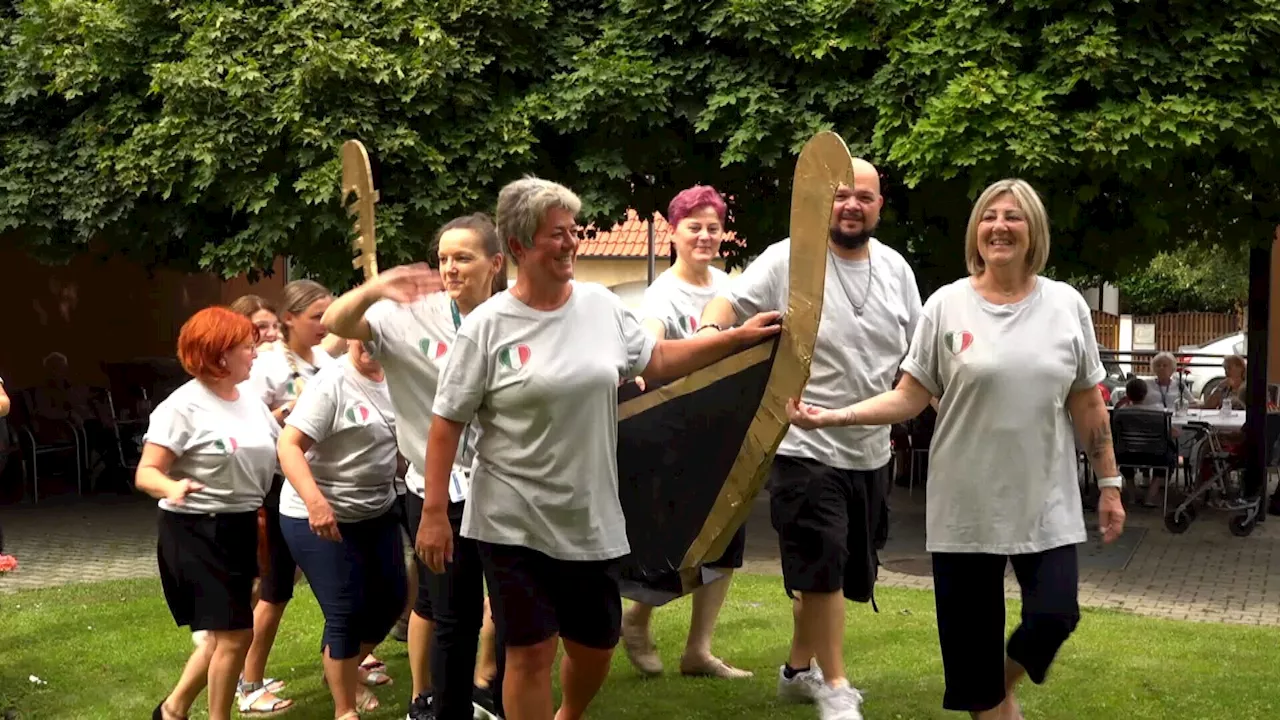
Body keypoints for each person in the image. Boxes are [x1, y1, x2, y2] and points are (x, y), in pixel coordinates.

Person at [417, 176, 782, 720]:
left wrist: (733, 339)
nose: (569, 245)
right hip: (511, 518)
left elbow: (655, 360)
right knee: (530, 651)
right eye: (554, 235)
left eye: (571, 232)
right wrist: (434, 515)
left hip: (590, 515)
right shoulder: (487, 328)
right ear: (518, 247)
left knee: (595, 646)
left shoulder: (600, 307)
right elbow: (446, 422)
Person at [786, 178, 1127, 720]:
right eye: (990, 217)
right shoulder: (946, 305)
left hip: (1046, 500)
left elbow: (1088, 404)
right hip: (964, 507)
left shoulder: (1065, 306)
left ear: (1033, 229)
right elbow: (909, 396)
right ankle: (991, 699)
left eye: (1013, 216)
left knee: (1055, 614)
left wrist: (1109, 484)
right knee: (974, 660)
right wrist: (838, 414)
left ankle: (998, 685)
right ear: (976, 231)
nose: (1000, 226)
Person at [698, 159, 922, 719]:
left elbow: (921, 357)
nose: (851, 205)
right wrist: (710, 333)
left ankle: (798, 671)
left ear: (879, 206)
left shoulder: (896, 269)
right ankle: (837, 686)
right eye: (841, 194)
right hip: (803, 444)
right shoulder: (788, 257)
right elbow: (727, 302)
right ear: (826, 200)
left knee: (845, 573)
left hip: (871, 449)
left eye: (863, 197)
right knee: (821, 563)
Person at [322, 212, 508, 720]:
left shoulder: (516, 315)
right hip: (436, 490)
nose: (450, 268)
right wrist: (377, 286)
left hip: (509, 486)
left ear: (495, 263)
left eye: (463, 258)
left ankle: (502, 702)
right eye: (444, 258)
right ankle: (447, 711)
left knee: (513, 612)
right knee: (453, 615)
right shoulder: (408, 314)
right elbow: (335, 323)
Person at [620, 184, 751, 680]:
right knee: (678, 537)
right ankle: (638, 618)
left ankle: (698, 650)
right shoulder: (662, 293)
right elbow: (650, 344)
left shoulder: (729, 287)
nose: (704, 236)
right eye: (693, 227)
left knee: (726, 539)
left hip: (724, 430)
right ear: (673, 234)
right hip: (675, 434)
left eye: (713, 228)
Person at [135, 307, 280, 720]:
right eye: (246, 348)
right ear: (219, 356)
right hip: (195, 531)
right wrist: (173, 486)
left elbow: (278, 453)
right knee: (236, 635)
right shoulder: (181, 408)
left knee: (223, 636)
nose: (255, 354)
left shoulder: (249, 400)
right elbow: (147, 473)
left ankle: (173, 710)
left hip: (241, 527)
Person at [277, 339, 408, 718]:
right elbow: (289, 445)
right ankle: (345, 708)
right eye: (359, 331)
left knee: (391, 600)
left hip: (376, 509)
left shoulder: (399, 378)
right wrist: (316, 503)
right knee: (345, 610)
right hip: (315, 514)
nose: (368, 341)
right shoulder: (333, 382)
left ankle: (341, 667)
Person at [240, 278, 342, 714]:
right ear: (290, 318)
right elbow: (245, 419)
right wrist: (286, 415)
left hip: (323, 482)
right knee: (276, 589)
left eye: (329, 316)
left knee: (339, 580)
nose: (326, 324)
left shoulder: (325, 359)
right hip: (281, 487)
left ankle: (348, 659)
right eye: (318, 317)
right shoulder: (266, 365)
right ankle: (248, 682)